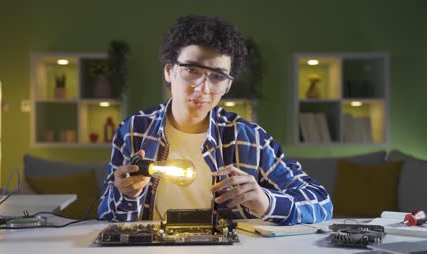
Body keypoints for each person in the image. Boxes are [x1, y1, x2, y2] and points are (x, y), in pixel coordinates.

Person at [98, 15, 333, 225]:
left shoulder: (248, 137)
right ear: (169, 71)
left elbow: (322, 204)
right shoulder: (133, 130)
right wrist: (126, 195)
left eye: (217, 76)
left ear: (228, 84)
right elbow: (109, 219)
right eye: (192, 70)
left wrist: (266, 202)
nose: (203, 87)